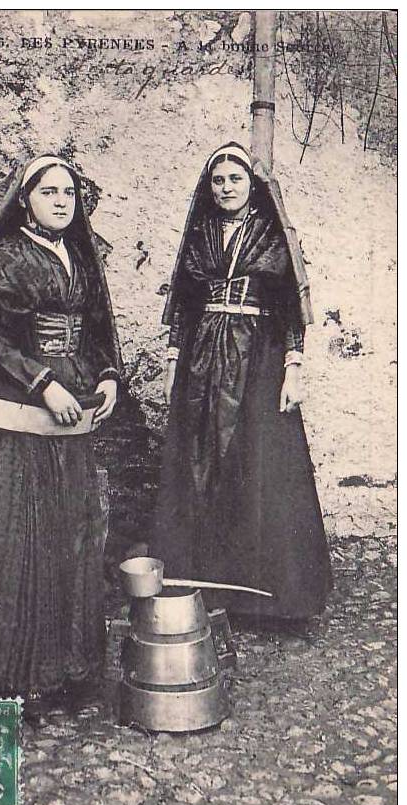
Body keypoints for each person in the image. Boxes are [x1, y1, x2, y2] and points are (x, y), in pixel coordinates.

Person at [0, 155, 122, 709]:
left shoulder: (82, 261)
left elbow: (97, 333)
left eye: (70, 193)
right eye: (50, 192)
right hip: (23, 410)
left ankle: (69, 667)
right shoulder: (1, 259)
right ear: (26, 199)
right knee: (25, 536)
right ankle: (17, 670)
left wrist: (107, 377)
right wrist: (44, 385)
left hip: (76, 410)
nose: (63, 202)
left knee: (74, 536)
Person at [153, 142, 332, 621]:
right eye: (218, 180)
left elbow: (291, 307)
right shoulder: (201, 235)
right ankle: (206, 589)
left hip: (258, 358)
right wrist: (173, 357)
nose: (226, 188)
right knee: (201, 461)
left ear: (252, 186)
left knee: (257, 462)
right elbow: (186, 304)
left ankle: (269, 599)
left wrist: (293, 365)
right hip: (203, 359)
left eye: (235, 179)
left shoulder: (272, 235)